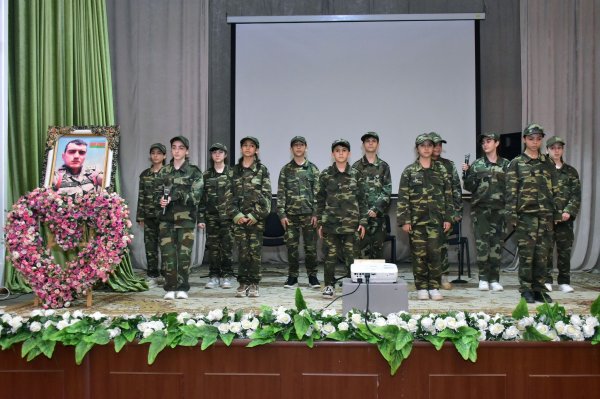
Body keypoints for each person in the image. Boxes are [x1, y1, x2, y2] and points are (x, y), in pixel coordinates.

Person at [505, 123, 560, 303]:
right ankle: (526, 289)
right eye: (531, 138)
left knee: (543, 255)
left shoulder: (547, 162)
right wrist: (512, 216)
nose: (535, 142)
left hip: (545, 216)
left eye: (538, 138)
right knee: (527, 255)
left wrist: (556, 213)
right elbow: (511, 191)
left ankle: (540, 289)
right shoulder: (517, 163)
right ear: (524, 140)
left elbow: (555, 189)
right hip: (526, 216)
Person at [397, 133, 452, 301]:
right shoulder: (409, 171)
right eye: (423, 146)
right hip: (417, 222)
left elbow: (447, 195)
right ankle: (421, 287)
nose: (427, 148)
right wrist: (404, 221)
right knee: (419, 256)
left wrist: (448, 218)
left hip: (436, 221)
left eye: (430, 145)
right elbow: (403, 197)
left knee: (435, 254)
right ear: (417, 149)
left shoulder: (441, 170)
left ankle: (434, 286)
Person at [317, 139, 367, 297]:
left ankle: (353, 285)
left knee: (352, 257)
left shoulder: (356, 174)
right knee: (330, 256)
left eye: (344, 150)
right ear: (333, 154)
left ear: (349, 153)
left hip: (351, 224)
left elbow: (363, 200)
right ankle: (329, 285)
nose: (340, 153)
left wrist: (363, 222)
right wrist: (319, 222)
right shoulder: (325, 175)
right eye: (337, 150)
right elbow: (319, 199)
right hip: (330, 224)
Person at [462, 133, 510, 292]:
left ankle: (494, 279)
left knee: (496, 245)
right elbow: (469, 187)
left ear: (497, 143)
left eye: (488, 141)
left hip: (500, 211)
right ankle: (483, 278)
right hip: (480, 211)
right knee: (482, 245)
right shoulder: (477, 165)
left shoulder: (506, 165)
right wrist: (467, 173)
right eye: (483, 142)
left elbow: (511, 188)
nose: (485, 144)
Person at [158, 136, 204, 300]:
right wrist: (160, 200)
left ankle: (183, 286)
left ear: (187, 151)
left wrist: (175, 195)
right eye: (174, 147)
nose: (177, 151)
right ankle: (170, 287)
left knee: (184, 255)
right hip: (166, 220)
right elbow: (156, 194)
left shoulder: (194, 172)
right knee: (168, 255)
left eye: (181, 148)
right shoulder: (164, 171)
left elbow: (196, 197)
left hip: (186, 220)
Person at [277, 136, 321, 289]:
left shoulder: (313, 169)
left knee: (310, 248)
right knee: (292, 248)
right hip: (291, 216)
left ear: (306, 148)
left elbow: (318, 194)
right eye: (295, 145)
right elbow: (281, 193)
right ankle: (292, 277)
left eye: (301, 145)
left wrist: (316, 213)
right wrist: (282, 214)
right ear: (291, 149)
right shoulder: (286, 170)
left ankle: (312, 277)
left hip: (309, 215)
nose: (298, 148)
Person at [230, 136, 272, 298]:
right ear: (241, 149)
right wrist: (236, 214)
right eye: (245, 146)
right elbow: (228, 196)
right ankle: (242, 283)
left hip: (256, 220)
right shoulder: (233, 171)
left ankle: (254, 283)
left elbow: (267, 196)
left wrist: (255, 215)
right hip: (239, 219)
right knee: (242, 252)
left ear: (257, 150)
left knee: (254, 252)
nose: (248, 148)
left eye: (251, 146)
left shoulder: (262, 170)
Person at [545, 135, 581, 293]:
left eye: (559, 148)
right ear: (547, 150)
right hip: (547, 218)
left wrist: (568, 211)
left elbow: (576, 195)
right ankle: (546, 280)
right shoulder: (542, 171)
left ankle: (564, 281)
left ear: (563, 150)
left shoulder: (571, 172)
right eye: (553, 148)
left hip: (565, 219)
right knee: (545, 251)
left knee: (564, 251)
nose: (556, 151)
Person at [198, 143, 235, 290]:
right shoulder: (206, 175)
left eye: (220, 152)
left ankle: (226, 275)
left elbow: (237, 197)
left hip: (228, 217)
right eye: (214, 153)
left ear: (225, 155)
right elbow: (201, 199)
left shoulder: (232, 174)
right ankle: (213, 276)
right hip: (211, 217)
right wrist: (201, 218)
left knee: (227, 247)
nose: (217, 155)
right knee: (213, 248)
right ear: (211, 156)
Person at [430, 132, 463, 290]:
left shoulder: (448, 165)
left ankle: (443, 277)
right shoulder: (422, 164)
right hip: (427, 214)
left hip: (445, 213)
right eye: (435, 144)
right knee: (427, 247)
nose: (437, 148)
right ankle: (429, 278)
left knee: (442, 246)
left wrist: (456, 211)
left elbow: (456, 188)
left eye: (440, 145)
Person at [352, 132, 392, 259]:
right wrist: (363, 212)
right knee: (359, 252)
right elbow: (353, 191)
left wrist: (376, 209)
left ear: (378, 145)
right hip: (360, 218)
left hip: (378, 217)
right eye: (367, 141)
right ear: (363, 145)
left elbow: (387, 190)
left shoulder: (384, 166)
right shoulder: (355, 167)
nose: (370, 143)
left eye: (373, 141)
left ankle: (377, 279)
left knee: (377, 254)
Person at [136, 143, 167, 283]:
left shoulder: (169, 173)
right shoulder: (144, 175)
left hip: (165, 215)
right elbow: (141, 195)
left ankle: (167, 274)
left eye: (159, 153)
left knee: (166, 245)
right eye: (153, 153)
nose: (155, 155)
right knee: (150, 246)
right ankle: (152, 273)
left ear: (164, 156)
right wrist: (140, 216)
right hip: (148, 215)